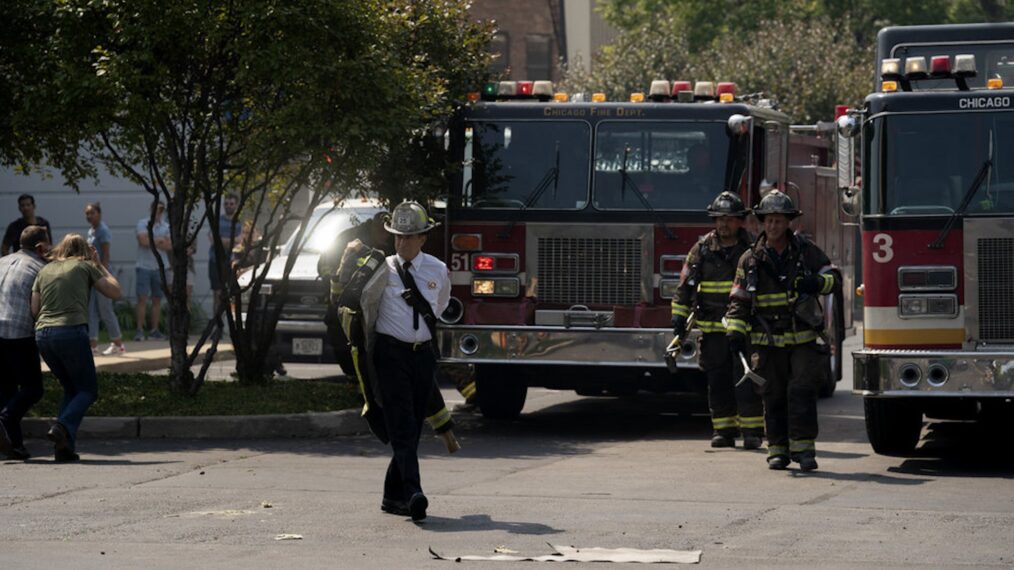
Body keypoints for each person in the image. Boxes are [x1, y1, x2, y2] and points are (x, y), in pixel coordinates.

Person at [724, 190, 839, 472]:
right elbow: (738, 299)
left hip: (802, 337)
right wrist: (735, 333)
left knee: (801, 390)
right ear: (761, 223)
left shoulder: (805, 251)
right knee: (772, 394)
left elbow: (834, 278)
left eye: (778, 221)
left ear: (789, 222)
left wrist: (815, 283)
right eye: (768, 221)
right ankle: (777, 450)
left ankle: (804, 450)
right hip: (766, 340)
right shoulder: (750, 259)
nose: (773, 226)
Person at [373, 201, 450, 521]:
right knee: (402, 426)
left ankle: (392, 496)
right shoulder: (379, 269)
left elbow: (441, 306)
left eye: (409, 237)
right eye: (397, 236)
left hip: (422, 357)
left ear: (423, 238)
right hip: (390, 355)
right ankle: (413, 492)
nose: (401, 242)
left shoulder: (438, 269)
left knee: (414, 425)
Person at [671, 191, 763, 450]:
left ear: (740, 221)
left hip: (744, 330)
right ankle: (723, 431)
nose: (723, 224)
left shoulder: (752, 249)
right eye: (719, 219)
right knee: (718, 381)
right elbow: (684, 286)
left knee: (745, 380)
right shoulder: (701, 250)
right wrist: (678, 317)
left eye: (729, 219)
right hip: (712, 332)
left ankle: (752, 431)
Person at [32, 233, 122, 462]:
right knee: (88, 390)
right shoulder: (85, 266)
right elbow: (114, 292)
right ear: (84, 250)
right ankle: (62, 426)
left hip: (43, 335)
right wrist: (99, 264)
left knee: (71, 388)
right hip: (71, 331)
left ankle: (63, 449)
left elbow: (35, 309)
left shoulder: (45, 270)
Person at [0, 226, 50, 460]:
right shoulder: (40, 268)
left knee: (7, 389)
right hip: (19, 331)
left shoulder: (2, 261)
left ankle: (15, 446)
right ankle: (6, 420)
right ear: (40, 246)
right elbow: (37, 306)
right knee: (33, 388)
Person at [84, 203, 126, 355]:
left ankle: (118, 344)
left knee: (105, 309)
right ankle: (93, 344)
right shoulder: (91, 231)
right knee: (91, 309)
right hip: (93, 274)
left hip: (102, 274)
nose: (89, 216)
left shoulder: (103, 230)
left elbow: (106, 255)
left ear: (99, 214)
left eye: (92, 213)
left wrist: (104, 275)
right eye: (87, 213)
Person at [134, 201, 171, 341]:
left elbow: (169, 245)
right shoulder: (143, 223)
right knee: (142, 298)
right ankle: (139, 330)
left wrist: (152, 240)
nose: (158, 212)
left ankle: (154, 330)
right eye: (156, 209)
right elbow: (143, 242)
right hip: (144, 266)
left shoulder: (166, 226)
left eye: (161, 210)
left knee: (157, 299)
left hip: (160, 267)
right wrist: (159, 240)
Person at [209, 193, 241, 318]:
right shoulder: (217, 221)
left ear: (236, 205)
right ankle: (217, 324)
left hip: (233, 262)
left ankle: (233, 325)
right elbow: (213, 239)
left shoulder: (239, 222)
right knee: (217, 294)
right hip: (215, 260)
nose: (228, 206)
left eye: (231, 204)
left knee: (233, 294)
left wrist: (223, 240)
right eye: (226, 204)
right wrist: (231, 241)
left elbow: (241, 240)